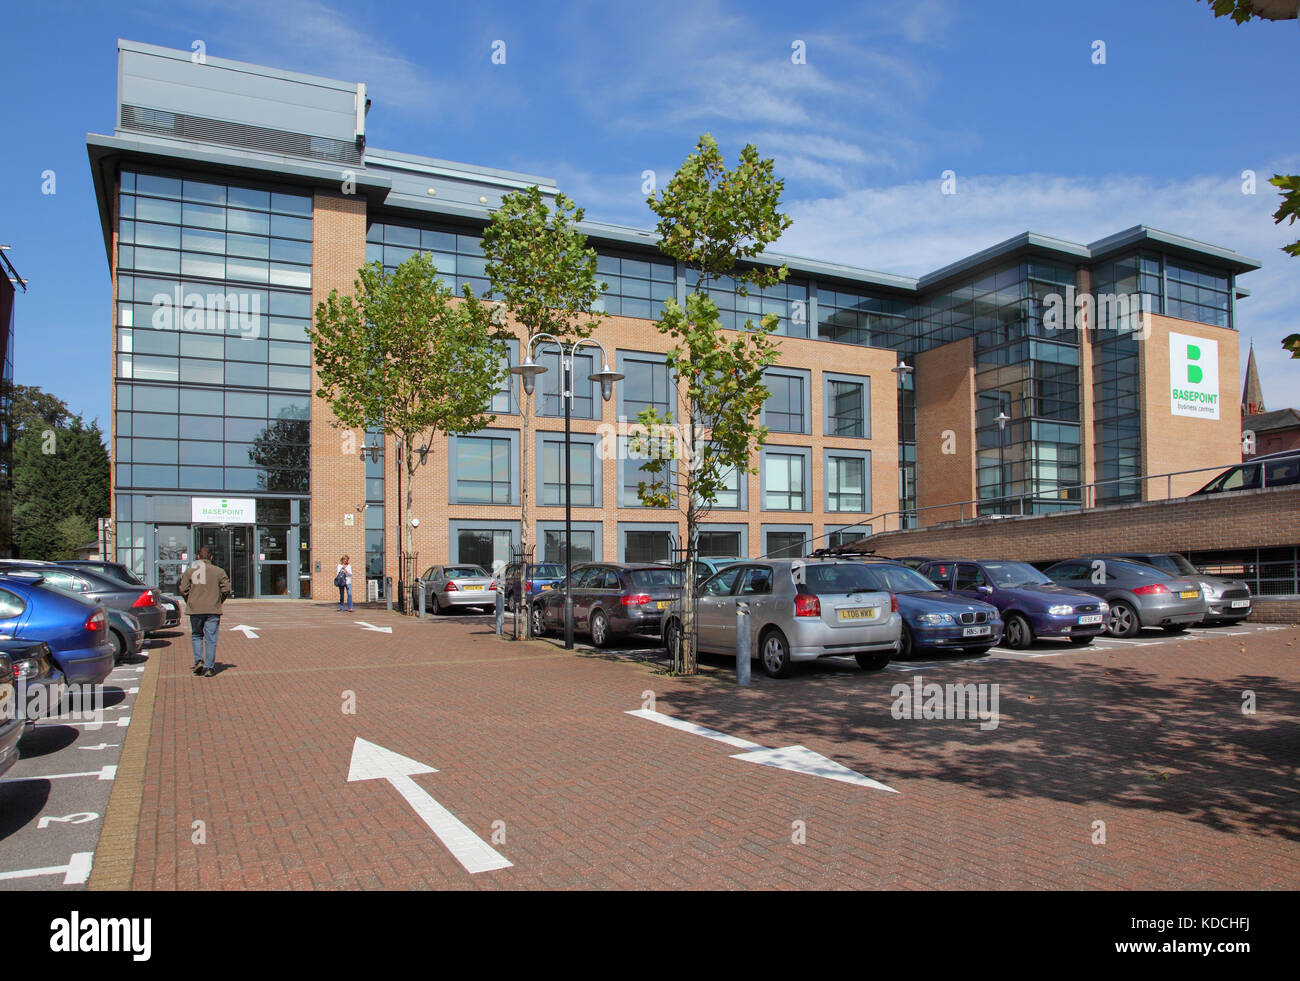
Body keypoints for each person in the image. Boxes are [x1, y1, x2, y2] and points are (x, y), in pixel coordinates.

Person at [178, 546, 232, 678]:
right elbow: (226, 589)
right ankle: (209, 667)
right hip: (213, 609)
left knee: (196, 635)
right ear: (211, 557)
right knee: (210, 639)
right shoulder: (218, 571)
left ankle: (198, 661)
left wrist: (189, 600)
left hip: (195, 609)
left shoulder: (190, 571)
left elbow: (183, 589)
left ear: (198, 557)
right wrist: (219, 601)